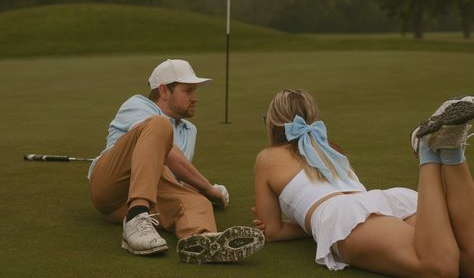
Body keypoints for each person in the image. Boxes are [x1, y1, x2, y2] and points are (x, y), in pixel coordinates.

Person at [253, 90, 474, 277]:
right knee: (468, 262)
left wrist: (300, 224)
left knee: (440, 267)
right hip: (387, 200)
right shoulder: (331, 148)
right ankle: (452, 151)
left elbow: (273, 232)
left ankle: (426, 150)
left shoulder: (266, 158)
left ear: (272, 123)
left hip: (343, 217)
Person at [89, 58, 264, 263]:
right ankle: (137, 216)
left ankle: (200, 240)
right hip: (110, 186)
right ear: (164, 91)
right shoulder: (137, 104)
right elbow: (171, 156)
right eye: (188, 91)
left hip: (130, 204)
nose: (195, 98)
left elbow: (173, 177)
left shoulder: (190, 130)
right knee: (160, 126)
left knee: (196, 201)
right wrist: (209, 188)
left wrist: (202, 192)